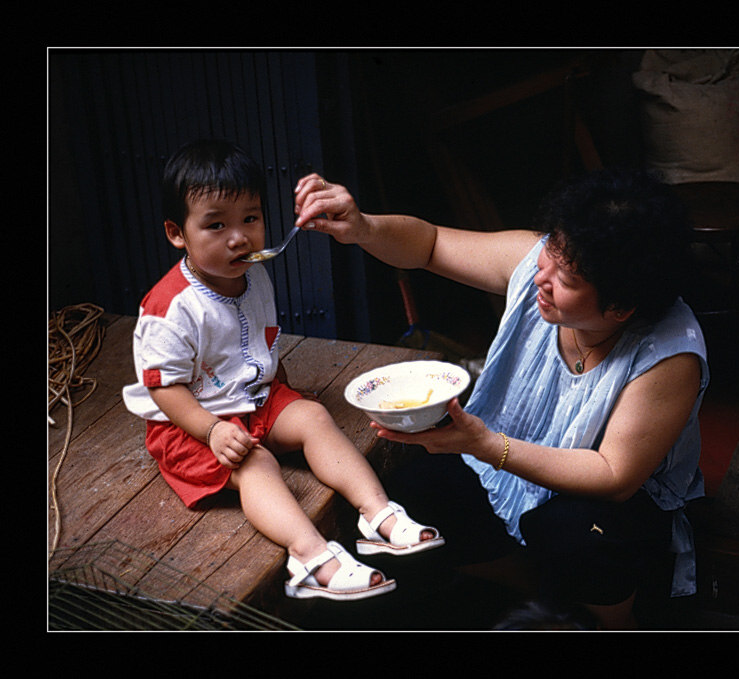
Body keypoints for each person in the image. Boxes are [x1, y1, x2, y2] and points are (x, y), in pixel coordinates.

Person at [293, 166, 708, 629]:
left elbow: (614, 475)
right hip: (503, 469)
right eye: (547, 254)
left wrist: (485, 445)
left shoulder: (670, 354)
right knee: (405, 501)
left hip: (604, 504)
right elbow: (428, 245)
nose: (540, 278)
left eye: (565, 280)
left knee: (577, 536)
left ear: (620, 307)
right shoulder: (540, 263)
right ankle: (539, 587)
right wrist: (363, 227)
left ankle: (616, 623)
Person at [122, 139, 443, 602]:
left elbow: (251, 340)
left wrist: (280, 393)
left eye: (250, 219)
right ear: (177, 233)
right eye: (215, 225)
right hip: (190, 423)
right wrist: (211, 430)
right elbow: (165, 389)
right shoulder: (171, 306)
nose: (239, 237)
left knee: (312, 416)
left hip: (255, 397)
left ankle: (379, 516)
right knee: (257, 463)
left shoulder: (252, 273)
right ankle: (311, 557)